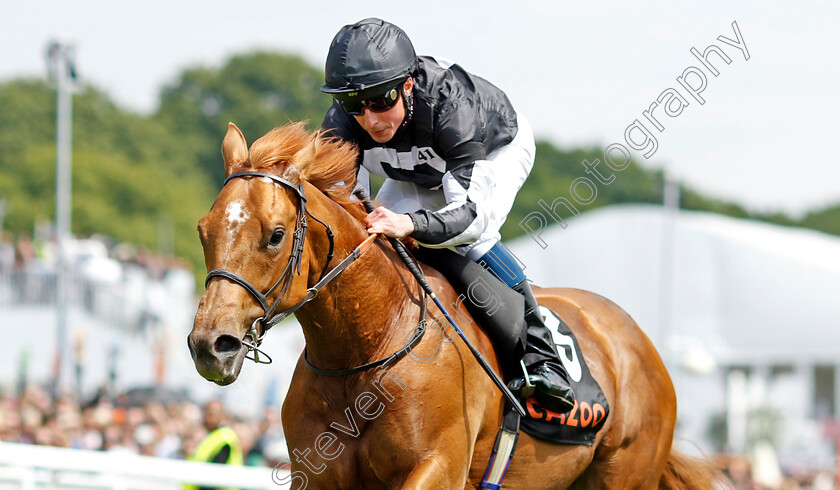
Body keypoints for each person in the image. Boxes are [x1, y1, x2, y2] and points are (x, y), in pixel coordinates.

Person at [320, 18, 575, 414]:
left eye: (381, 101)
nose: (370, 119)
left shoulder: (451, 106)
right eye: (355, 104)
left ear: (407, 85)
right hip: (418, 166)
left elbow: (469, 217)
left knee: (473, 240)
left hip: (492, 149)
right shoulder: (340, 123)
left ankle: (542, 355)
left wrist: (411, 224)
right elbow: (344, 208)